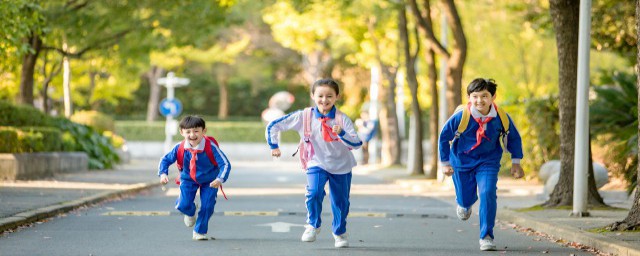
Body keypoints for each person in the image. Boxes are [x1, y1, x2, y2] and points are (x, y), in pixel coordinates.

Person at [265, 78, 363, 248]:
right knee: (314, 192)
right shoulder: (304, 116)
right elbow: (273, 125)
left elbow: (356, 143)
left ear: (337, 97)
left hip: (341, 166)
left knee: (341, 202)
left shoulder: (342, 119)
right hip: (316, 162)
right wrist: (274, 145)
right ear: (313, 96)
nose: (324, 100)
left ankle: (339, 233)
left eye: (329, 96)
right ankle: (312, 224)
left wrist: (342, 134)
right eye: (320, 96)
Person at [438, 78, 524, 251]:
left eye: (484, 96)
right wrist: (445, 163)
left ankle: (486, 236)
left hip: (488, 161)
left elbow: (513, 138)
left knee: (487, 192)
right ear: (469, 97)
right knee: (465, 197)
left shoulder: (501, 117)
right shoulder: (462, 116)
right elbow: (443, 137)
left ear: (493, 96)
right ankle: (464, 203)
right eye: (475, 96)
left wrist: (516, 162)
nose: (479, 101)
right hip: (461, 161)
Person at [158, 115, 231, 240]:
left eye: (196, 131)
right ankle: (190, 211)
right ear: (182, 132)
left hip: (210, 181)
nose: (192, 135)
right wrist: (163, 174)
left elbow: (225, 164)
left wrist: (219, 179)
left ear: (204, 131)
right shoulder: (179, 148)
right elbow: (165, 160)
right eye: (188, 132)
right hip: (187, 179)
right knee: (183, 204)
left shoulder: (210, 147)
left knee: (208, 206)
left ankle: (199, 231)